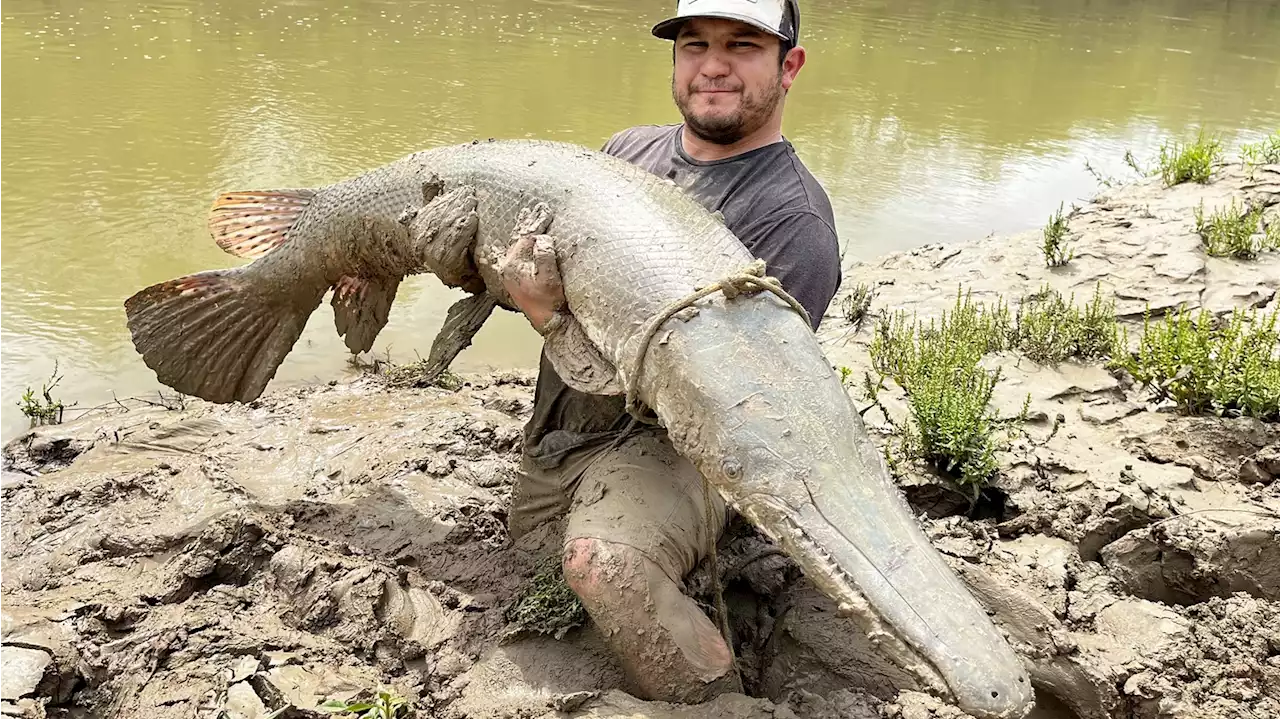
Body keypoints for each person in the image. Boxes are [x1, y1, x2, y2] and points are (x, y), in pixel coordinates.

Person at [499, 0, 841, 704]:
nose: (712, 65)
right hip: (566, 434)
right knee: (535, 557)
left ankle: (720, 700)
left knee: (605, 564)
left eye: (742, 47)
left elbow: (719, 404)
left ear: (790, 65)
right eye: (695, 45)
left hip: (685, 449)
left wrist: (550, 319)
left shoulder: (793, 222)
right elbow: (532, 273)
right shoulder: (626, 154)